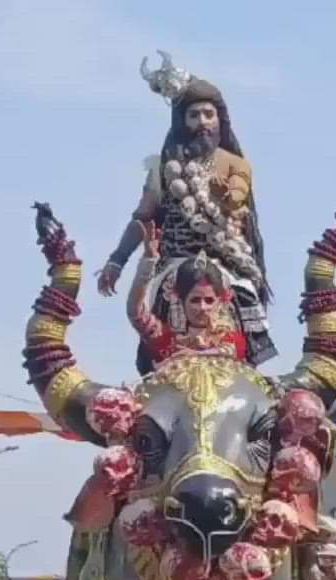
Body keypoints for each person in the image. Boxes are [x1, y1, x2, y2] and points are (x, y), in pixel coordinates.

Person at [97, 56, 277, 374]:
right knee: (164, 307)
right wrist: (117, 260)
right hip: (176, 267)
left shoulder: (234, 165)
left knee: (244, 296)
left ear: (220, 121)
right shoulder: (163, 170)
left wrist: (227, 193)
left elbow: (236, 198)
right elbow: (143, 218)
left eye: (209, 114)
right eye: (194, 115)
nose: (203, 122)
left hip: (228, 267)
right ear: (183, 122)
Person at [126, 228, 246, 369]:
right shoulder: (167, 341)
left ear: (220, 301)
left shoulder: (231, 340)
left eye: (209, 300)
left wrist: (195, 355)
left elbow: (230, 353)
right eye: (195, 300)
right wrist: (148, 262)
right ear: (180, 299)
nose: (202, 308)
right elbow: (135, 312)